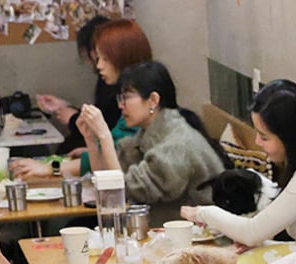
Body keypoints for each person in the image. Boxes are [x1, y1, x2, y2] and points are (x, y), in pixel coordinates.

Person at [181, 79, 296, 249]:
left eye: (264, 136)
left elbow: (252, 232)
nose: (257, 141)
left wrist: (202, 213)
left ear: (291, 136)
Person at [72, 61, 227, 223]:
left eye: (126, 97)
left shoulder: (176, 144)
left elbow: (123, 191)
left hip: (198, 236)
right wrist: (91, 139)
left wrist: (105, 135)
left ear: (153, 100)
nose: (120, 105)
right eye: (120, 98)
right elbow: (106, 184)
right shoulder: (148, 134)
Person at [36, 17, 150, 154]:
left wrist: (74, 119)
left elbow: (117, 154)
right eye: (98, 58)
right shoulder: (118, 87)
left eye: (104, 59)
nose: (98, 66)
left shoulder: (138, 99)